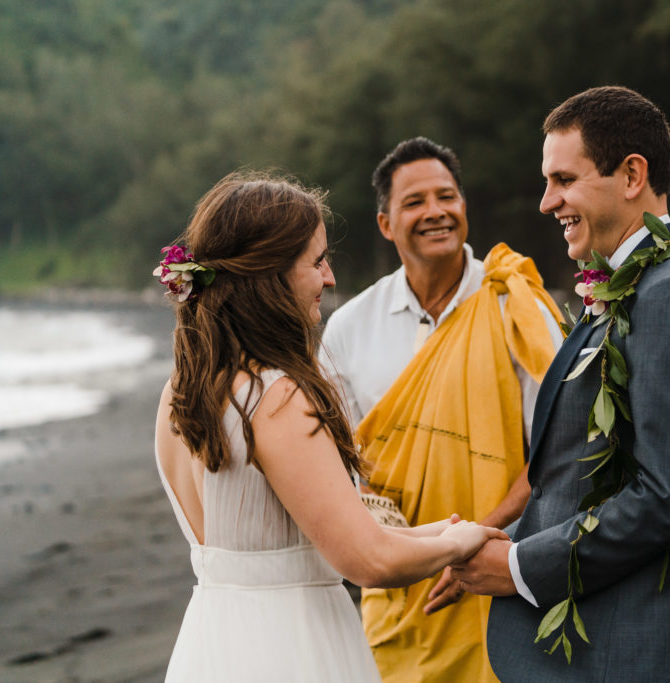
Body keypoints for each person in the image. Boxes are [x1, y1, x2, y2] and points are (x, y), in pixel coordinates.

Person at [152, 171, 504, 682]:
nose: (330, 277)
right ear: (270, 273)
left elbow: (303, 536)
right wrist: (457, 546)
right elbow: (367, 559)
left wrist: (448, 530)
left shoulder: (180, 390)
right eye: (316, 261)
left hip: (213, 642)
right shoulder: (277, 397)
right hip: (291, 645)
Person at [448, 86, 670, 681]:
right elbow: (576, 472)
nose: (545, 202)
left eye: (563, 179)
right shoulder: (626, 287)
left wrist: (516, 567)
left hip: (631, 653)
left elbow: (667, 496)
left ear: (632, 173)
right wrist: (489, 540)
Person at [320, 137, 564, 682]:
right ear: (386, 224)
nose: (435, 212)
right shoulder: (349, 328)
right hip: (398, 590)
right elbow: (338, 466)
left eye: (446, 196)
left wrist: (474, 539)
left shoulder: (514, 305)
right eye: (414, 202)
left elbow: (558, 448)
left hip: (504, 570)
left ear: (464, 209)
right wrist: (396, 550)